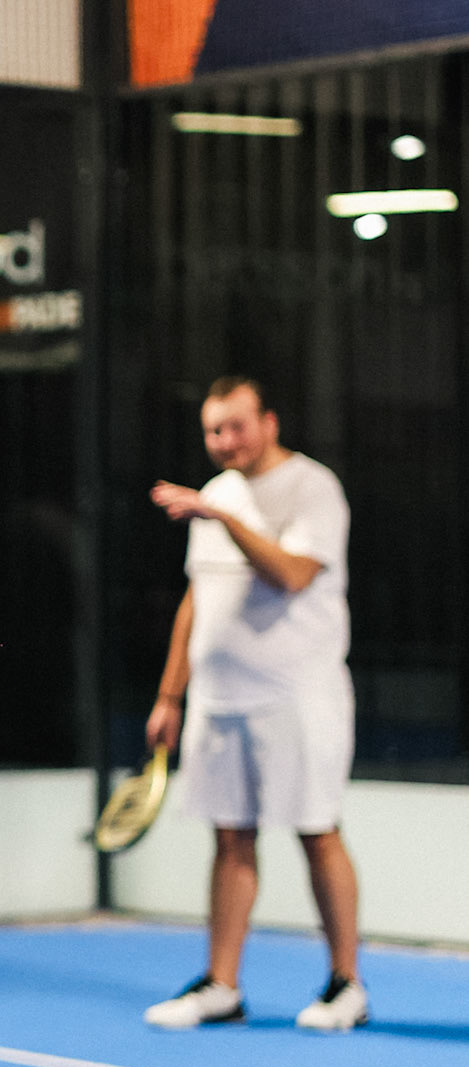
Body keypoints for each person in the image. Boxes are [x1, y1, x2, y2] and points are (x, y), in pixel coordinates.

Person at [142, 376, 366, 1033]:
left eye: (235, 426)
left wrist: (225, 520)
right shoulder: (216, 493)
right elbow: (196, 599)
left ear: (269, 422)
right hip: (218, 700)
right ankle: (222, 985)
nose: (223, 440)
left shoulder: (312, 488)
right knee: (229, 836)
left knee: (316, 830)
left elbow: (291, 574)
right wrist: (169, 695)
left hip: (298, 697)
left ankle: (346, 984)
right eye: (213, 430)